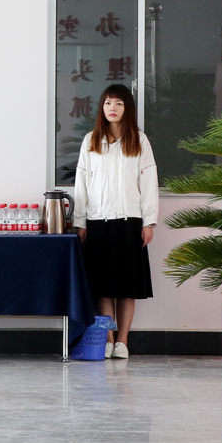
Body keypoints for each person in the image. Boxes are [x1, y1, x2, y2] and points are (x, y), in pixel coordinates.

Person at [73, 84, 158, 360]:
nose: (112, 108)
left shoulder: (139, 141)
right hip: (98, 222)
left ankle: (123, 341)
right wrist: (80, 221)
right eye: (108, 102)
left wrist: (149, 222)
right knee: (103, 288)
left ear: (127, 108)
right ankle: (107, 339)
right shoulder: (91, 140)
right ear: (102, 107)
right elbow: (81, 184)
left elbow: (149, 184)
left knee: (127, 287)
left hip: (129, 222)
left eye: (119, 103)